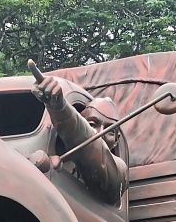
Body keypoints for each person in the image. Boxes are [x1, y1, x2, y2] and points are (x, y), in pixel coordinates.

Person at [31, 74, 128, 205]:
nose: (100, 133)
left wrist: (60, 107)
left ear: (117, 140)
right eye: (92, 125)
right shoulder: (62, 163)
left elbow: (91, 145)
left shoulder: (119, 170)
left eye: (110, 131)